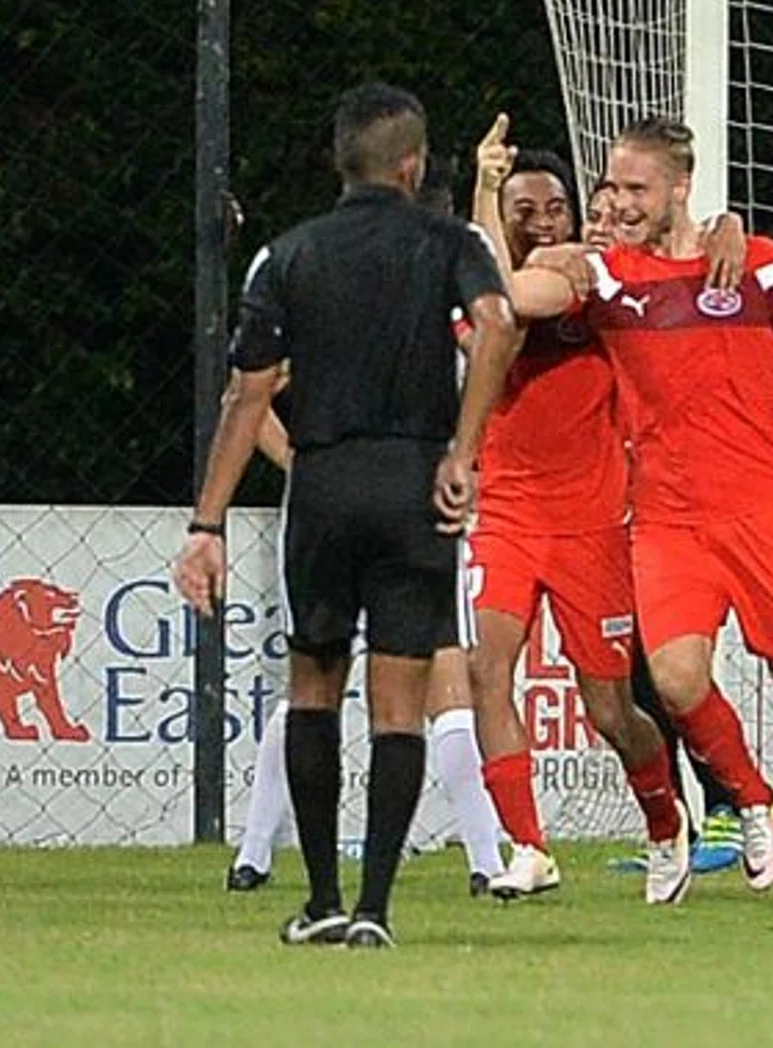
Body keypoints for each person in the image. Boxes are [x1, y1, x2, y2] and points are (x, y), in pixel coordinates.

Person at [509, 116, 773, 913]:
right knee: (679, 682)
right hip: (666, 519)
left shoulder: (758, 265)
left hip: (763, 508)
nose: (620, 201)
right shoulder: (606, 277)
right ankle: (751, 797)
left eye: (637, 188)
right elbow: (526, 290)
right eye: (612, 187)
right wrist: (506, 255)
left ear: (680, 189)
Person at [175, 82, 517, 950]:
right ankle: (376, 910)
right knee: (398, 701)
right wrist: (462, 451)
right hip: (416, 484)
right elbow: (498, 323)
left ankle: (321, 898)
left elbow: (248, 392)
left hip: (324, 486)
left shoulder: (286, 255)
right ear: (412, 164)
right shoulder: (452, 242)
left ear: (342, 162)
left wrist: (206, 525)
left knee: (313, 684)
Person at [463, 121, 741, 906]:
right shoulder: (485, 299)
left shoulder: (607, 290)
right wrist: (487, 191)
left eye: (553, 208)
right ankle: (528, 845)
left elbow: (673, 266)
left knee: (611, 708)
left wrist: (728, 227)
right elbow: (503, 311)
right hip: (508, 514)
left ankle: (665, 823)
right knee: (490, 667)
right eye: (522, 208)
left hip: (595, 523)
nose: (540, 220)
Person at [227, 366, 507, 897]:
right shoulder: (442, 300)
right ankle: (485, 861)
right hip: (415, 502)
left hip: (329, 503)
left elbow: (248, 391)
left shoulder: (309, 291)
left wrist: (297, 465)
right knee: (437, 679)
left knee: (313, 683)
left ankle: (255, 856)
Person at [580, 178, 746, 878]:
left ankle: (731, 806)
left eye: (607, 211)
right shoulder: (582, 293)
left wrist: (729, 222)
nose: (600, 224)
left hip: (667, 501)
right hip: (598, 508)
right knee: (638, 677)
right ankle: (674, 822)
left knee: (670, 666)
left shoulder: (651, 290)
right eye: (588, 216)